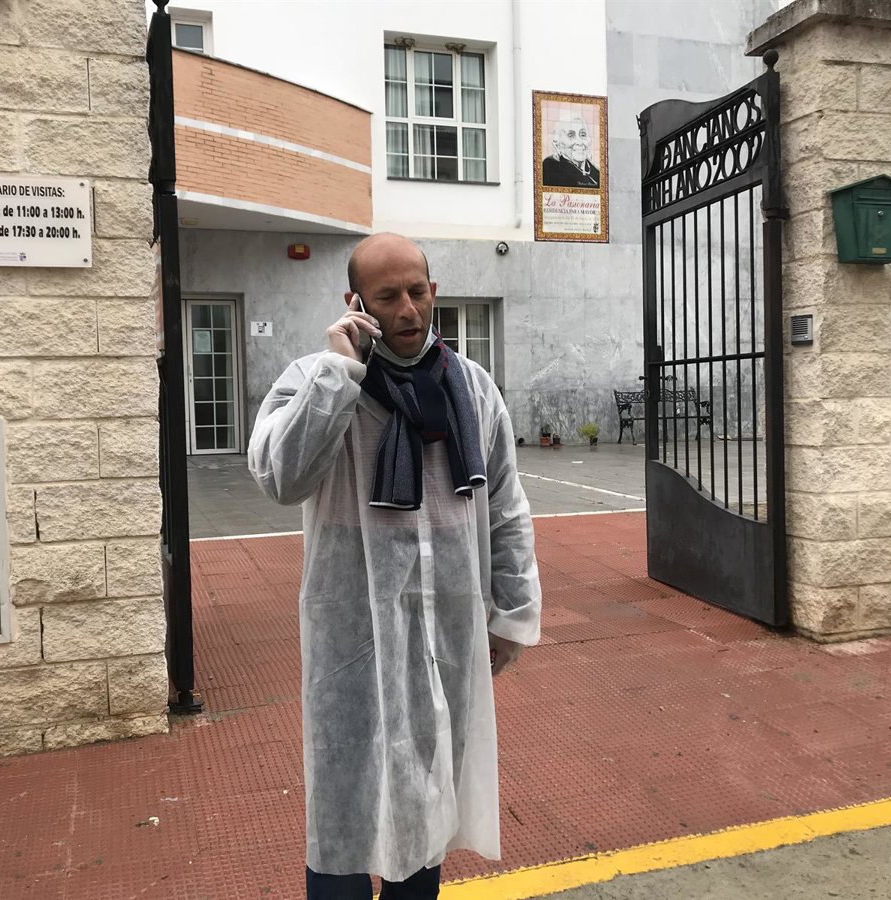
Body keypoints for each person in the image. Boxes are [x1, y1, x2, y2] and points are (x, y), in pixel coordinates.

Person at [248, 233, 541, 898]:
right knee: (345, 806)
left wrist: (512, 614)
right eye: (387, 297)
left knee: (427, 804)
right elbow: (281, 477)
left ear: (433, 291)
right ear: (355, 304)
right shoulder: (316, 380)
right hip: (352, 636)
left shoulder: (471, 387)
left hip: (447, 630)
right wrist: (338, 374)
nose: (407, 310)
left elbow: (505, 506)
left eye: (416, 291)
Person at [541, 115, 602, 188]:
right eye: (571, 135)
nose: (580, 142)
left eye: (583, 135)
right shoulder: (550, 169)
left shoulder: (597, 173)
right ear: (557, 144)